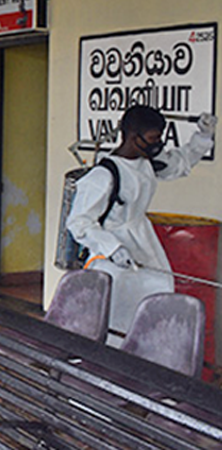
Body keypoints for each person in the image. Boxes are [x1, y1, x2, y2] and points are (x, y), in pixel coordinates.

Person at [67, 105, 217, 345]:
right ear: (133, 137)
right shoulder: (103, 175)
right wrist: (113, 249)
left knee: (158, 294)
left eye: (160, 138)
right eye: (153, 138)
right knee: (115, 312)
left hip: (142, 242)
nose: (158, 144)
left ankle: (149, 358)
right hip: (110, 255)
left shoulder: (146, 162)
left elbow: (180, 163)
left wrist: (203, 136)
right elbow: (78, 222)